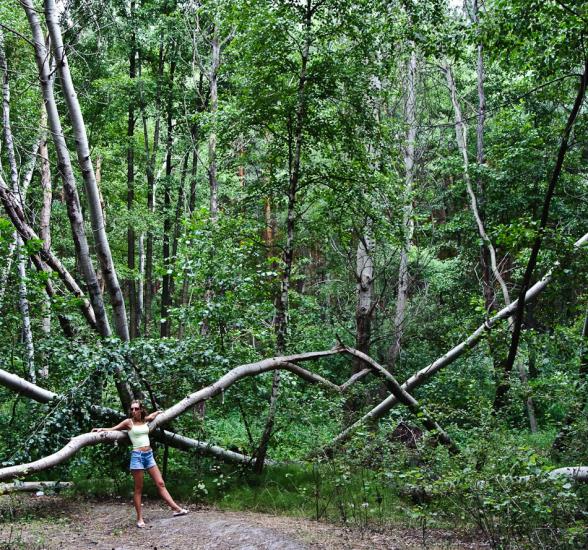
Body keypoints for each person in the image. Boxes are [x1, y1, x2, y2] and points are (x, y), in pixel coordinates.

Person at [92, 400, 188, 528]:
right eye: (132, 409)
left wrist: (158, 412)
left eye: (136, 409)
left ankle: (176, 509)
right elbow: (113, 428)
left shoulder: (144, 420)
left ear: (141, 410)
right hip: (137, 456)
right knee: (138, 489)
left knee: (160, 483)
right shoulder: (128, 422)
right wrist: (101, 429)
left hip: (149, 455)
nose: (133, 411)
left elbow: (151, 416)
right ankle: (139, 519)